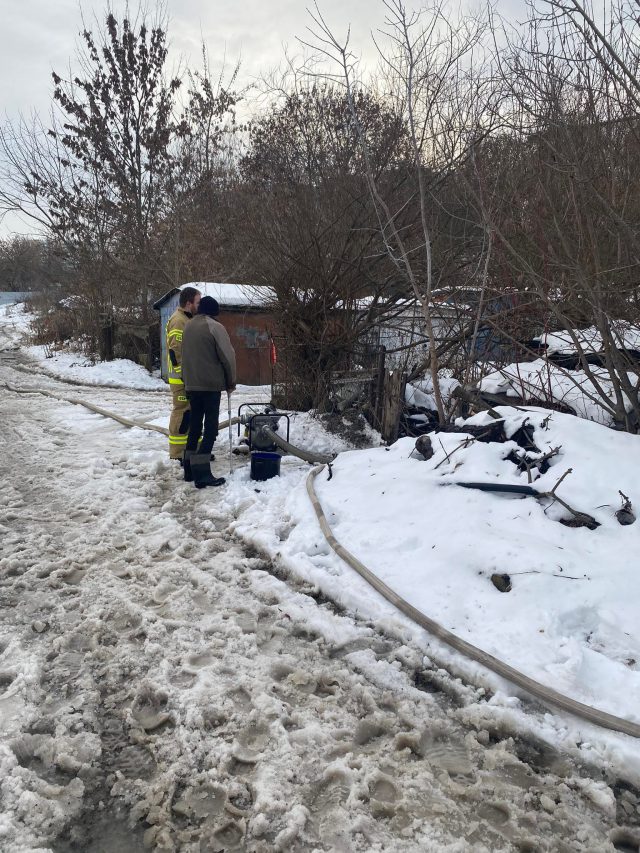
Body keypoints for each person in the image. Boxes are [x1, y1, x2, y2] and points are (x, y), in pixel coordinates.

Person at [181, 295, 237, 488]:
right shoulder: (215, 327)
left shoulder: (188, 325)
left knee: (195, 426)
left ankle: (188, 470)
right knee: (211, 428)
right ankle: (202, 473)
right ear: (214, 312)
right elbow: (228, 356)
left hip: (191, 385)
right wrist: (231, 381)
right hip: (210, 385)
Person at [165, 286, 201, 461]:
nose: (199, 306)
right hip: (181, 379)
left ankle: (194, 450)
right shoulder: (178, 321)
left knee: (193, 413)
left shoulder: (188, 319)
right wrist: (184, 376)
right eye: (198, 302)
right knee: (182, 413)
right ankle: (178, 453)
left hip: (189, 377)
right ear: (189, 303)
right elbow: (175, 352)